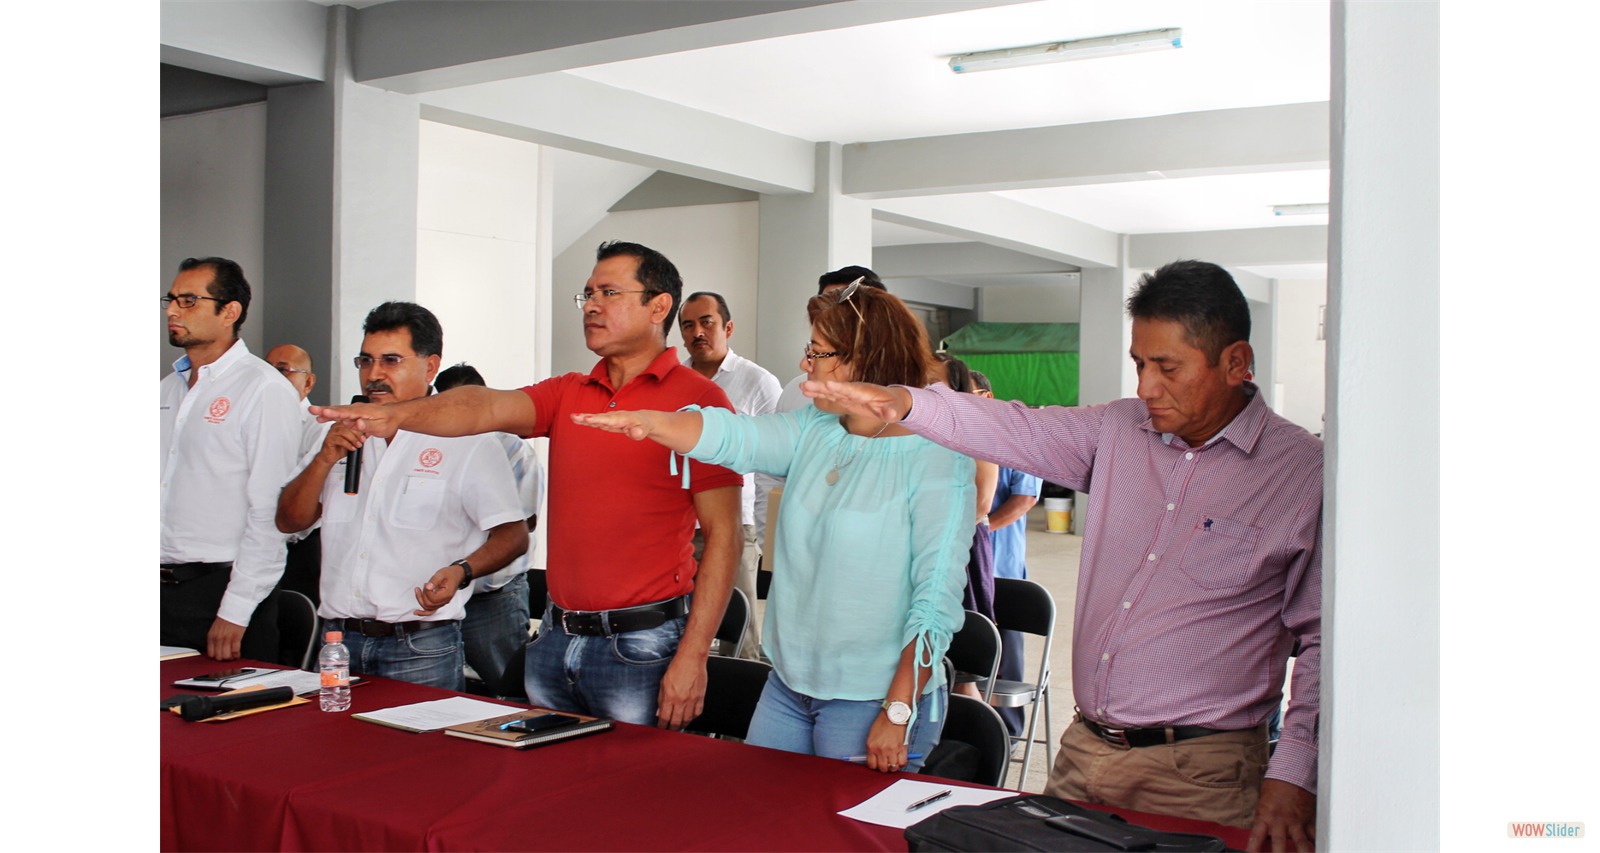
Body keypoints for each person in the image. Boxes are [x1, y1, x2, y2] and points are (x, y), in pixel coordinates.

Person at [805, 259, 1321, 851]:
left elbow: (1324, 641)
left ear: (1236, 362)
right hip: (1084, 752)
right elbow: (1015, 427)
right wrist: (903, 402)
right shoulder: (1120, 430)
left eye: (1167, 367)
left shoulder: (1301, 474)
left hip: (1201, 774)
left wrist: (1295, 772)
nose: (1146, 387)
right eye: (1140, 364)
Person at [311, 241, 743, 729]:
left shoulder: (701, 403)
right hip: (556, 637)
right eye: (587, 294)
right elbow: (484, 406)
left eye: (608, 293)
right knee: (544, 775)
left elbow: (724, 536)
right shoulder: (570, 391)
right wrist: (396, 415)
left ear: (658, 306)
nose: (592, 306)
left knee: (628, 777)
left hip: (641, 644)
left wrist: (694, 656)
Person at [574, 282, 973, 774]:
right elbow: (737, 436)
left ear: (865, 358)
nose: (806, 364)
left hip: (873, 696)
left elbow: (935, 596)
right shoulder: (815, 428)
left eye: (818, 352)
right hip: (790, 683)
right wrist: (653, 422)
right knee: (760, 806)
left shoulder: (936, 457)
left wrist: (899, 707)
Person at [276, 302, 528, 690]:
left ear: (430, 367)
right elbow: (289, 521)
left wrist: (462, 571)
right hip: (338, 641)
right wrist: (324, 459)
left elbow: (513, 536)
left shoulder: (467, 440)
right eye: (365, 361)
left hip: (419, 646)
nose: (374, 375)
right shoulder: (337, 433)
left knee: (420, 734)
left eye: (391, 361)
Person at [160, 256, 303, 661]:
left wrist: (237, 609)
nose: (172, 311)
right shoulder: (166, 390)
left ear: (230, 312)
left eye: (189, 300)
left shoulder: (263, 389)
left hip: (221, 592)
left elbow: (269, 511)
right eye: (171, 299)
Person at [679, 290, 781, 660]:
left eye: (707, 322)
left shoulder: (757, 382)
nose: (697, 332)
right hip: (677, 526)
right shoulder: (672, 381)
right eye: (688, 325)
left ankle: (741, 694)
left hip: (734, 524)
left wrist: (764, 535)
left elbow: (771, 466)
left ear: (728, 328)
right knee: (680, 629)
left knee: (740, 635)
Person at [434, 362, 547, 694]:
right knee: (449, 692)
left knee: (510, 692)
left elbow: (523, 524)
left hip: (491, 597)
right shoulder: (429, 446)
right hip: (439, 594)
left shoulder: (513, 450)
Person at [970, 369, 1042, 737]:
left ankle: (1007, 735)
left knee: (1005, 657)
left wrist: (980, 530)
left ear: (986, 396)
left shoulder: (1015, 439)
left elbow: (1024, 499)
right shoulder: (951, 438)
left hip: (1001, 566)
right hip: (962, 566)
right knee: (966, 655)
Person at [775, 265, 886, 413]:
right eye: (826, 304)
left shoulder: (905, 399)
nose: (831, 315)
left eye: (844, 307)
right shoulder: (797, 390)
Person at [266, 342, 326, 605]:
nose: (271, 378)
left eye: (282, 370)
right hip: (253, 546)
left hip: (297, 549)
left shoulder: (320, 427)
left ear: (308, 383)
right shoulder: (257, 422)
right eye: (266, 370)